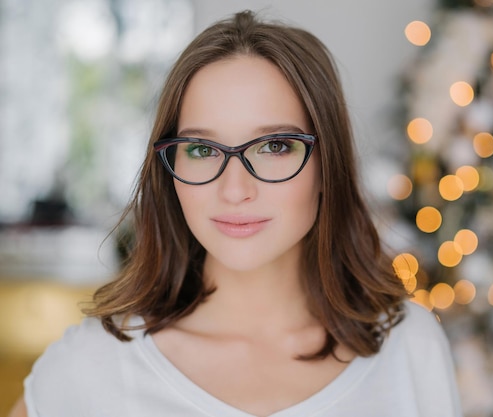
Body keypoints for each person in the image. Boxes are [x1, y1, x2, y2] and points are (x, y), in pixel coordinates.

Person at [10, 10, 462, 417]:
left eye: (275, 146)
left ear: (329, 166)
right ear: (171, 171)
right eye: (203, 149)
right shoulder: (94, 366)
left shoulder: (410, 348)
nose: (234, 189)